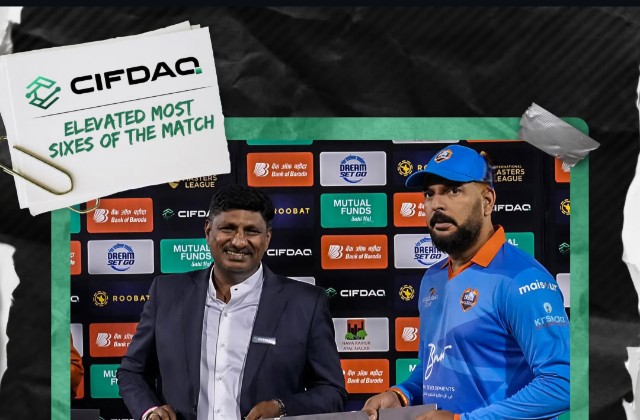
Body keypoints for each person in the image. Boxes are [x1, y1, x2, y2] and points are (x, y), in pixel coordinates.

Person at [363, 145, 570, 420]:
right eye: (429, 194)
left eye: (453, 191)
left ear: (487, 201)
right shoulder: (433, 278)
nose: (437, 204)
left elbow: (562, 384)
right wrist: (401, 395)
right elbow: (434, 366)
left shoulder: (522, 279)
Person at [117, 184, 346, 420]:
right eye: (228, 228)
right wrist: (150, 411)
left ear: (267, 238)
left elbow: (332, 391)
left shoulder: (306, 303)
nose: (238, 241)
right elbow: (132, 372)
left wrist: (281, 407)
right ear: (208, 231)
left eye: (251, 231)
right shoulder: (167, 293)